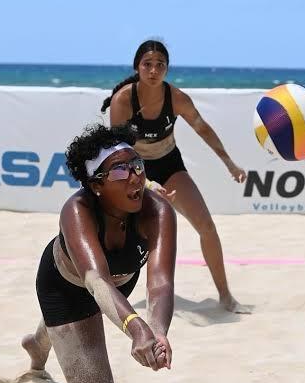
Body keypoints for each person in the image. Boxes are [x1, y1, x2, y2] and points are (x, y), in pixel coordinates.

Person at [17, 123, 177, 383]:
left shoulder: (158, 211)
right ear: (96, 186)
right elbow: (97, 281)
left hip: (118, 286)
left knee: (102, 320)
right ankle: (48, 336)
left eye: (137, 165)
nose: (135, 176)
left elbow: (160, 283)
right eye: (120, 171)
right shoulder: (76, 210)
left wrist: (157, 333)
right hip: (66, 290)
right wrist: (137, 328)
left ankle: (42, 340)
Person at [101, 40, 250, 314]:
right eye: (147, 64)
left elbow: (203, 129)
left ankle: (226, 297)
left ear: (167, 69)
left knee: (206, 226)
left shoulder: (177, 98)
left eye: (160, 65)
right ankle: (105, 296)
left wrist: (230, 164)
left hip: (169, 164)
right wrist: (147, 183)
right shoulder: (123, 100)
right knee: (119, 236)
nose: (153, 70)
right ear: (137, 67)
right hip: (132, 170)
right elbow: (119, 153)